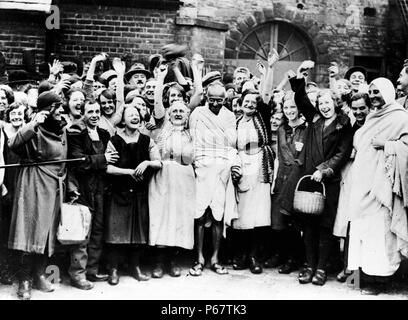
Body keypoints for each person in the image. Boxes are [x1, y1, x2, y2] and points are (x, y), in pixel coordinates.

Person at [287, 62, 353, 286]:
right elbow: (300, 99)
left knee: (325, 226)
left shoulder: (344, 124)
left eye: (327, 102)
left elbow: (342, 153)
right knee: (309, 225)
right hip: (309, 180)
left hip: (329, 182)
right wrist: (300, 78)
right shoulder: (314, 119)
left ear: (335, 103)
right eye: (320, 103)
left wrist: (323, 170)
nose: (324, 107)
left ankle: (322, 268)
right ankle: (309, 265)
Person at [347, 78, 408, 295]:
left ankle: (378, 282)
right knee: (361, 231)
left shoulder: (400, 116)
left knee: (378, 234)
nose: (373, 96)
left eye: (377, 92)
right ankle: (358, 277)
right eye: (371, 92)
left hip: (382, 184)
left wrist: (387, 145)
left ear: (389, 93)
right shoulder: (373, 116)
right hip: (362, 182)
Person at [8, 91, 69, 300]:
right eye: (57, 107)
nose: (61, 110)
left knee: (46, 232)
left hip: (54, 184)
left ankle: (40, 274)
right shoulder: (35, 127)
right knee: (28, 231)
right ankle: (24, 280)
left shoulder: (62, 128)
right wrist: (33, 123)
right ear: (47, 109)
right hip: (34, 182)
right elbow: (13, 144)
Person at [104, 105, 162, 285]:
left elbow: (158, 162)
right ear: (123, 119)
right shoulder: (114, 140)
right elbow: (108, 168)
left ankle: (134, 266)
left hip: (139, 193)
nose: (135, 118)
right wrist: (129, 172)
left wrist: (147, 163)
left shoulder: (147, 140)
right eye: (131, 115)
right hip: (119, 193)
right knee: (116, 232)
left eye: (137, 115)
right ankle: (113, 269)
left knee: (138, 232)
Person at [188, 81, 241, 276]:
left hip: (222, 169)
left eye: (220, 100)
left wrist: (231, 164)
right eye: (212, 100)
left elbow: (231, 143)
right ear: (205, 98)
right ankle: (199, 258)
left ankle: (215, 258)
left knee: (218, 216)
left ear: (225, 99)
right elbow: (193, 141)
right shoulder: (197, 114)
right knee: (200, 215)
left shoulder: (229, 116)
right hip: (201, 167)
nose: (216, 104)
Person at [67, 99, 118, 289]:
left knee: (97, 230)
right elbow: (78, 161)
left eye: (97, 111)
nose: (95, 115)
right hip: (83, 187)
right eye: (91, 112)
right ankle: (77, 274)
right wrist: (102, 159)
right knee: (82, 233)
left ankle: (92, 270)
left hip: (101, 188)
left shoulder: (104, 134)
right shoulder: (76, 132)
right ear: (83, 113)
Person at [148, 100, 195, 278]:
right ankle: (159, 262)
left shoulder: (192, 135)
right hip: (163, 178)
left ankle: (173, 261)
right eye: (174, 111)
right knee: (162, 218)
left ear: (187, 115)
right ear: (168, 114)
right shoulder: (160, 134)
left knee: (179, 219)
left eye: (181, 111)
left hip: (184, 181)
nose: (177, 114)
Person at [231, 88, 274, 274]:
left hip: (260, 169)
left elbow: (265, 98)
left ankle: (254, 256)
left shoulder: (261, 118)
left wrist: (268, 70)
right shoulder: (235, 123)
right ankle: (240, 255)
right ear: (240, 103)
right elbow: (231, 146)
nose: (249, 105)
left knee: (258, 214)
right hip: (242, 168)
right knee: (242, 215)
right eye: (246, 101)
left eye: (253, 102)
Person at [333, 92, 371, 283]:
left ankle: (366, 268)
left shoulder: (375, 124)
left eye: (362, 108)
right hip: (350, 175)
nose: (358, 112)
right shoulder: (350, 127)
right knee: (350, 220)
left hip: (371, 177)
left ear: (369, 107)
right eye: (355, 109)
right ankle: (348, 266)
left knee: (368, 223)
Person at [270, 92, 307, 274]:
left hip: (297, 177)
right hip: (282, 177)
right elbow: (278, 155)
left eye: (293, 107)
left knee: (294, 221)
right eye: (286, 107)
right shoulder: (282, 129)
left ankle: (294, 258)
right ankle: (280, 254)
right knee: (279, 219)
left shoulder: (307, 128)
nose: (290, 110)